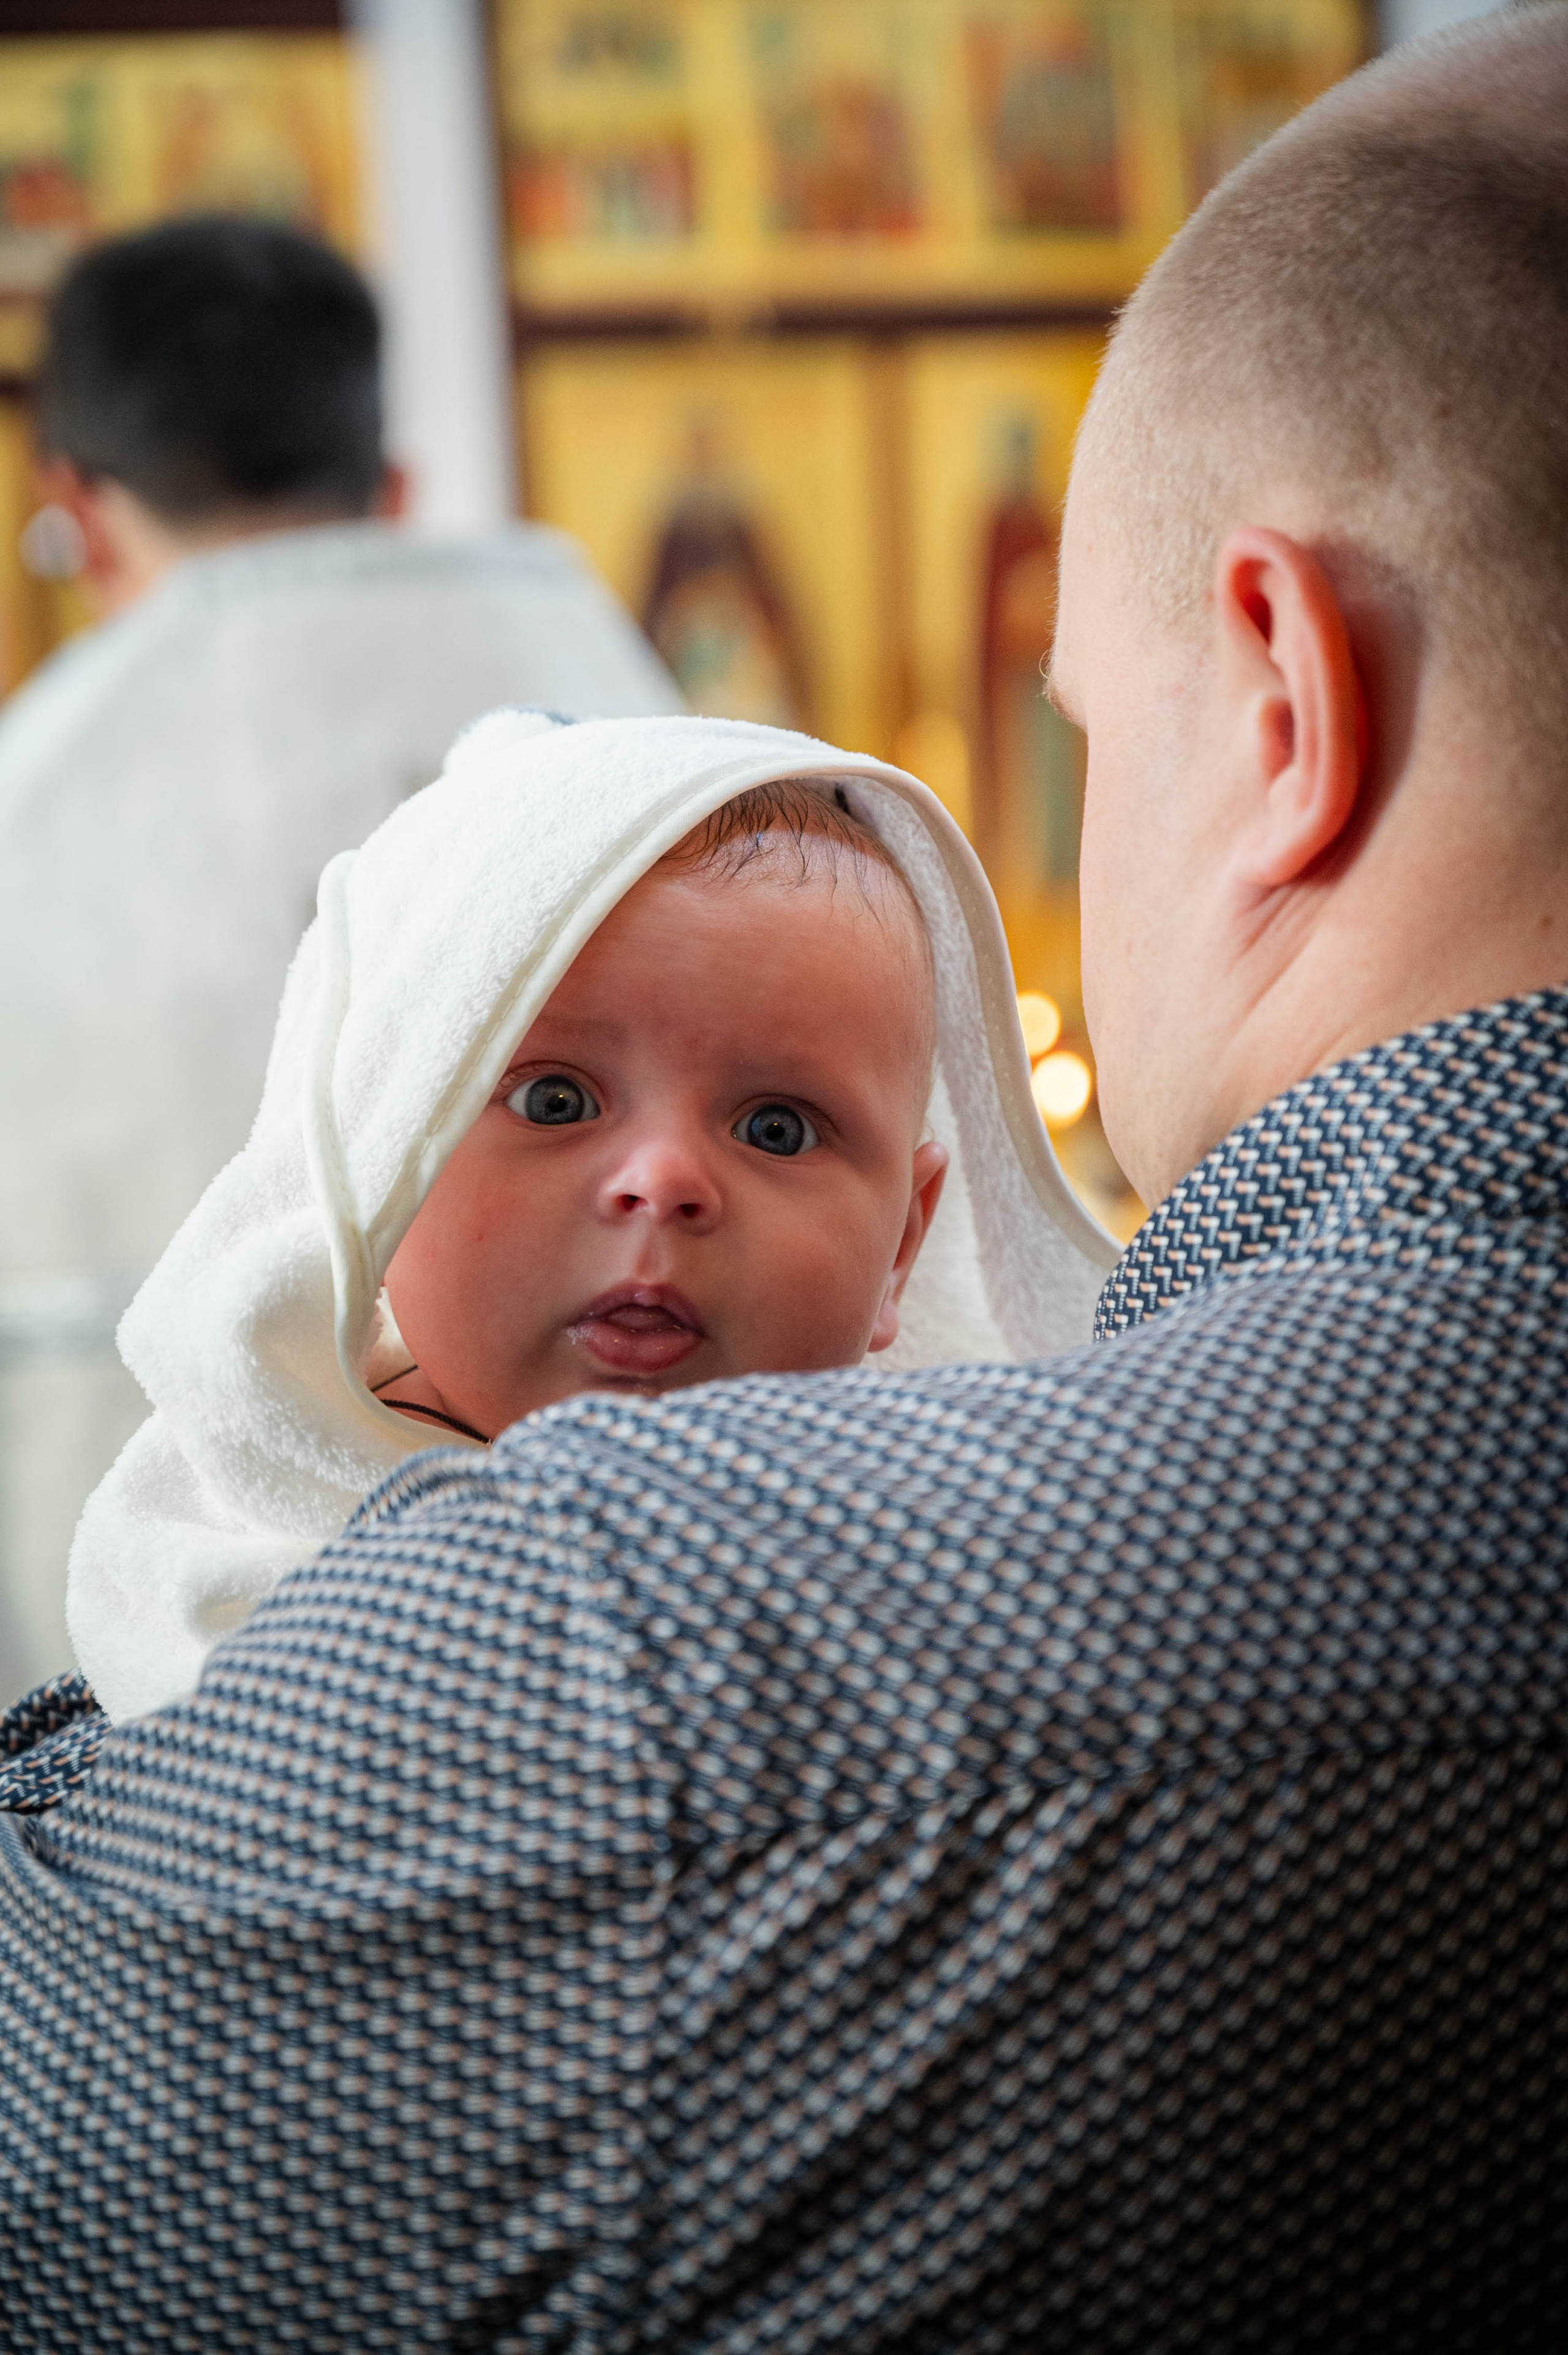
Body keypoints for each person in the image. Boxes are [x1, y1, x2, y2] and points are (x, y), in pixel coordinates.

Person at [4, 7, 1568, 2346]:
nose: (666, 1186)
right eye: (543, 1095)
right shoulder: (567, 636)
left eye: (1081, 733)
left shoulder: (639, 1686)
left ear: (1281, 701)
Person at [57, 710, 1106, 1726]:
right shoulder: (266, 1526)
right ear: (387, 1150)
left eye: (778, 1128)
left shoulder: (924, 1547)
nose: (662, 1182)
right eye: (557, 1100)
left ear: (900, 1253)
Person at [0, 219, 679, 1698]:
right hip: (617, 1658)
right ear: (389, 490)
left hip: (130, 1725)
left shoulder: (25, 804)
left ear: (76, 512)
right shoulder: (625, 720)